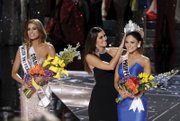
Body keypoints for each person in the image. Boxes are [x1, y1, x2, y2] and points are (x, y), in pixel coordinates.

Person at [11, 19, 56, 121]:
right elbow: (13, 73)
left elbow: (54, 71)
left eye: (34, 29)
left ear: (40, 30)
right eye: (28, 29)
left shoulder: (49, 48)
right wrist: (24, 82)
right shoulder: (22, 49)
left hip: (43, 90)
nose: (31, 32)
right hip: (28, 91)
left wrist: (43, 78)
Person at [84, 27, 125, 121]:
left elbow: (134, 53)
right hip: (100, 98)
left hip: (115, 95)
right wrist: (122, 43)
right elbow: (110, 66)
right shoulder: (89, 56)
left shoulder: (111, 51)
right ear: (94, 40)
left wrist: (139, 39)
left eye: (105, 36)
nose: (105, 38)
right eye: (101, 37)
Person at [114, 30, 151, 120]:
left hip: (137, 101)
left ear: (139, 43)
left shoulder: (145, 60)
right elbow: (115, 81)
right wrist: (120, 92)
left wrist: (138, 92)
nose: (128, 45)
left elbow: (147, 83)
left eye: (132, 42)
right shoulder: (121, 60)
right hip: (123, 99)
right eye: (126, 42)